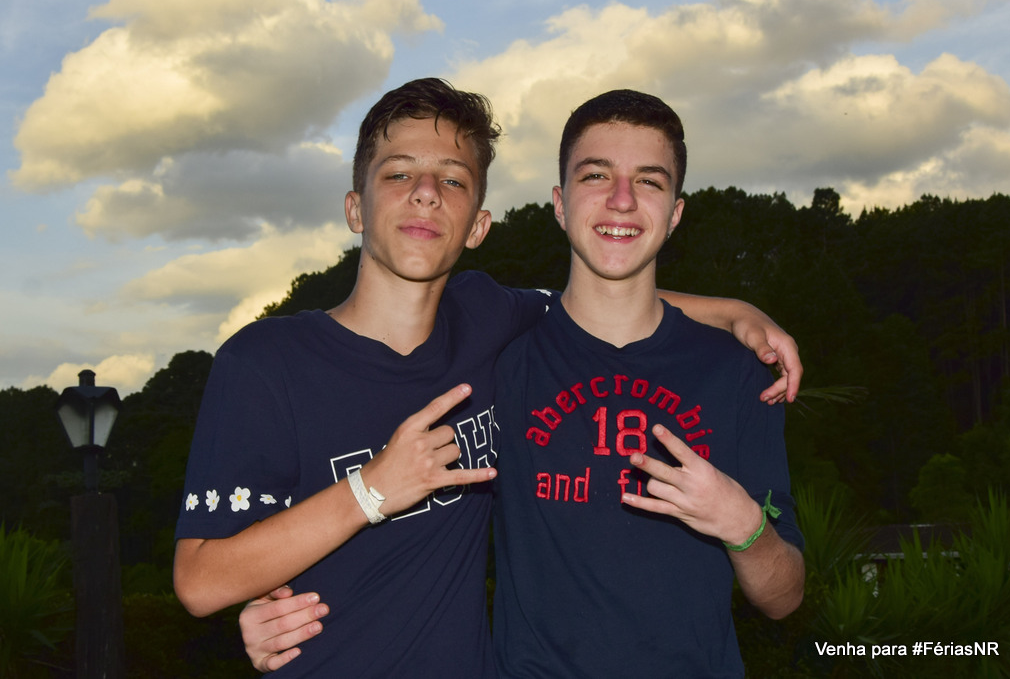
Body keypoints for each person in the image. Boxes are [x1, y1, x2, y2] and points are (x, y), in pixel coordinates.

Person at [186, 79, 802, 676]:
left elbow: (606, 295)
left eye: (452, 180)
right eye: (398, 174)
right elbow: (200, 581)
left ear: (479, 225)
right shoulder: (268, 361)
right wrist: (371, 491)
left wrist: (735, 314)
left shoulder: (490, 324)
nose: (426, 194)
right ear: (355, 207)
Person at [489, 89, 805, 678]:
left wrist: (742, 526)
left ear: (676, 213)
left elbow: (784, 597)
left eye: (649, 181)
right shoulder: (501, 361)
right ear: (559, 204)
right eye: (596, 175)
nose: (622, 199)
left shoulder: (736, 372)